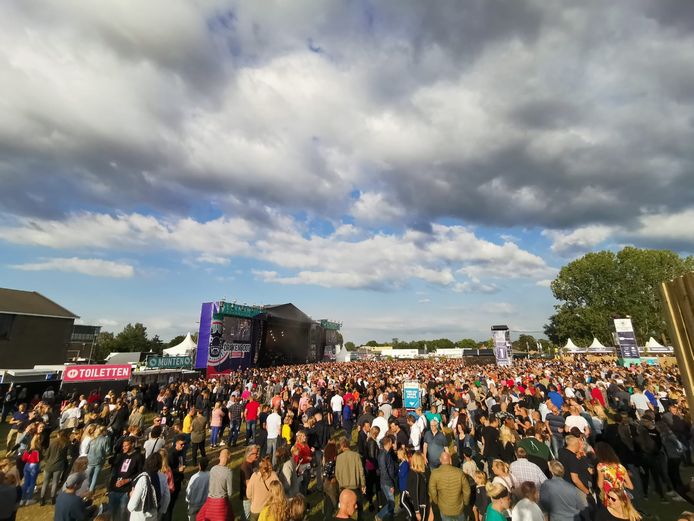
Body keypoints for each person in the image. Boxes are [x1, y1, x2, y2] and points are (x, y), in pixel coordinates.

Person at [127, 452, 171, 521]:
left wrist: (131, 495)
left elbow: (131, 506)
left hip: (139, 517)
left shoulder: (143, 478)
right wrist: (161, 511)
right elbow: (167, 497)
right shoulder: (163, 477)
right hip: (153, 515)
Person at [109, 436, 143, 521]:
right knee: (112, 512)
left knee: (123, 513)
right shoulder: (121, 456)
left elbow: (140, 473)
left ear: (132, 445)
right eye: (123, 446)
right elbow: (115, 471)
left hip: (126, 490)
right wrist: (110, 488)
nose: (124, 447)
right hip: (114, 489)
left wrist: (127, 480)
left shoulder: (138, 457)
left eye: (126, 445)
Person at [429, 452, 471, 521]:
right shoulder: (459, 472)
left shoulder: (434, 473)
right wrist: (465, 502)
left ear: (440, 460)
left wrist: (436, 501)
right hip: (458, 508)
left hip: (444, 508)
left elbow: (432, 490)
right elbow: (467, 490)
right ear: (450, 460)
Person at [198, 449, 234, 521]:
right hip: (221, 503)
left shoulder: (213, 469)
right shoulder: (228, 472)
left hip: (210, 501)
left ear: (219, 457)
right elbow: (230, 493)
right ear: (229, 458)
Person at [334, 437, 365, 521]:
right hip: (355, 486)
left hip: (344, 488)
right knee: (359, 509)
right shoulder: (356, 456)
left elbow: (337, 474)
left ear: (341, 446)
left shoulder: (339, 458)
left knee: (345, 509)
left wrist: (340, 483)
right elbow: (361, 471)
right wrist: (363, 484)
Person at [595, 441, 634, 506]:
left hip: (610, 498)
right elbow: (631, 487)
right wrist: (620, 482)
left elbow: (600, 485)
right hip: (622, 497)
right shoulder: (621, 467)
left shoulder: (601, 466)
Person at [40, 429, 70, 506]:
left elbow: (47, 454)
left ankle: (42, 499)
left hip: (49, 465)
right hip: (59, 465)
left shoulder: (52, 442)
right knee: (55, 482)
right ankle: (53, 498)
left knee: (45, 482)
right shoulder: (65, 444)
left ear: (58, 435)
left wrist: (46, 461)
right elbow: (65, 456)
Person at [246, 457, 279, 521]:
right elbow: (279, 491)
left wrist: (253, 500)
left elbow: (248, 494)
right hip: (269, 509)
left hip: (255, 510)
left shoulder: (254, 475)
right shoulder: (274, 476)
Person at [401, 452, 431, 521]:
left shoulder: (412, 472)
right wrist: (417, 511)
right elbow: (415, 494)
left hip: (418, 503)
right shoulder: (416, 475)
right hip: (420, 505)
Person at [164, 435, 186, 521]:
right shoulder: (171, 454)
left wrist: (182, 477)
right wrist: (178, 470)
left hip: (178, 481)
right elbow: (167, 470)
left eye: (184, 444)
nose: (183, 446)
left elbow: (180, 464)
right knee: (169, 507)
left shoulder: (181, 452)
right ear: (176, 443)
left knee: (172, 504)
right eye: (181, 444)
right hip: (172, 483)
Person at [376, 435, 398, 521]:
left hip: (389, 480)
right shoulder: (383, 455)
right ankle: (379, 516)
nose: (392, 443)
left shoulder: (387, 453)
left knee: (390, 501)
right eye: (391, 442)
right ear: (388, 443)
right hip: (387, 482)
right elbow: (384, 472)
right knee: (391, 503)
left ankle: (390, 517)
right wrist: (391, 485)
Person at [20, 434, 41, 506]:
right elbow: (37, 459)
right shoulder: (37, 449)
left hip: (27, 465)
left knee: (26, 482)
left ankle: (22, 499)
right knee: (32, 483)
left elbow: (23, 459)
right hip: (34, 466)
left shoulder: (29, 448)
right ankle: (29, 499)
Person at [186, 457, 210, 521]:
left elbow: (189, 490)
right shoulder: (210, 475)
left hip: (194, 504)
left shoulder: (194, 477)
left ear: (199, 465)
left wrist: (187, 499)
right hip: (205, 503)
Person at [240, 445, 260, 521]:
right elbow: (249, 485)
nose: (257, 455)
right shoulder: (245, 467)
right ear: (249, 454)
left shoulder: (253, 463)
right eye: (255, 453)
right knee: (247, 516)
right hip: (247, 497)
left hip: (252, 495)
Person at [322, 441, 339, 519]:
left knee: (327, 500)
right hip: (331, 483)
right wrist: (332, 477)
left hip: (326, 483)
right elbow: (326, 473)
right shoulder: (332, 462)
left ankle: (326, 516)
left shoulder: (327, 461)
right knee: (333, 502)